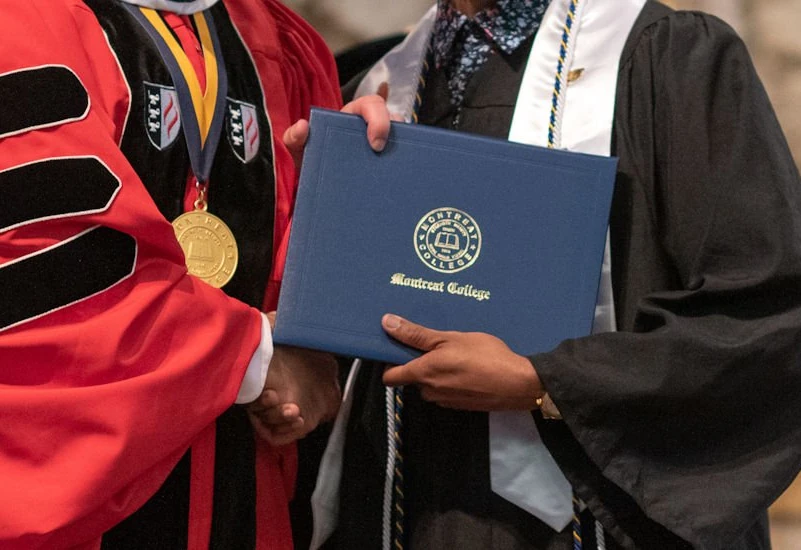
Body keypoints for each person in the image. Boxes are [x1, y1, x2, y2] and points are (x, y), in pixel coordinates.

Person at [309, 0, 801, 549]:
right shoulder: (371, 79)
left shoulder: (667, 56)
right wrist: (325, 190)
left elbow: (768, 311)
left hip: (593, 519)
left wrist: (546, 381)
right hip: (400, 504)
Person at [0, 0, 391, 548]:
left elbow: (306, 287)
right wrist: (253, 355)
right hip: (84, 506)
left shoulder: (282, 43)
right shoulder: (22, 24)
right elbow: (46, 263)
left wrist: (373, 179)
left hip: (244, 491)